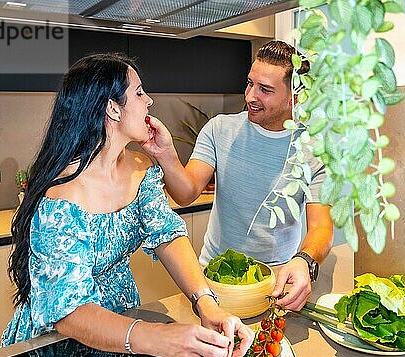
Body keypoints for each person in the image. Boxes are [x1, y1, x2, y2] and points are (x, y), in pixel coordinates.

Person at [1, 53, 253, 357]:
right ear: (112, 107)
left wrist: (206, 302)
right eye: (138, 92)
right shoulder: (61, 198)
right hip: (61, 346)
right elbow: (69, 312)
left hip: (124, 327)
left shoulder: (139, 167)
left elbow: (167, 235)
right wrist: (159, 339)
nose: (148, 101)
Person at [142, 41, 334, 312]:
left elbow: (321, 228)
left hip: (277, 280)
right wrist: (166, 155)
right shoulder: (219, 130)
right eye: (250, 83)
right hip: (214, 276)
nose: (250, 96)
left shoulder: (315, 151)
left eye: (265, 90)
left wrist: (304, 261)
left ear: (295, 96)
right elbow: (185, 194)